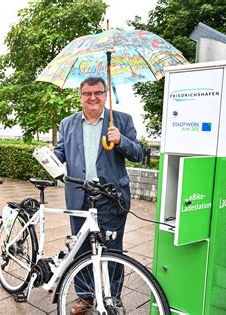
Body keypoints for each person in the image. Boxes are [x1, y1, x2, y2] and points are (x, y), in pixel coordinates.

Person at [54, 77, 142, 314]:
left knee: (112, 250)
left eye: (98, 92)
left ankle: (113, 297)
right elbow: (60, 153)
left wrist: (121, 140)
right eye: (87, 93)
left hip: (110, 197)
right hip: (79, 196)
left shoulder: (122, 120)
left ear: (105, 94)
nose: (93, 97)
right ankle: (85, 297)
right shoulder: (67, 123)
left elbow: (139, 153)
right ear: (80, 96)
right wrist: (49, 157)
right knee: (81, 249)